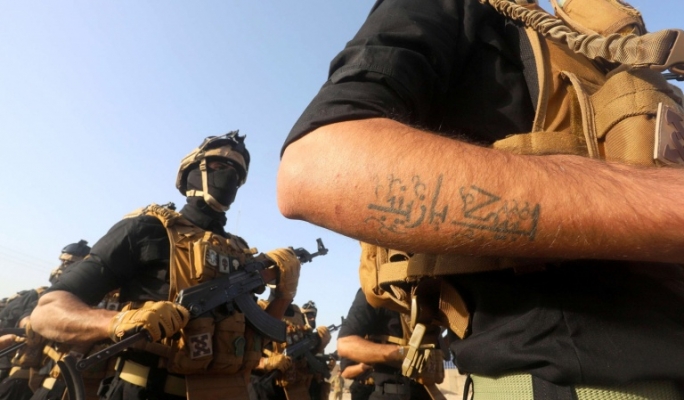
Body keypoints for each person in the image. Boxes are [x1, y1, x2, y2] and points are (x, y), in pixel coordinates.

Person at [277, 0, 684, 398]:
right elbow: (318, 165)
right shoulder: (455, 9)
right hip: (587, 382)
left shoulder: (595, 35)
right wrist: (661, 203)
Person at [31, 132, 302, 400]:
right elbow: (48, 311)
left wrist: (283, 295)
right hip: (148, 391)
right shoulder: (148, 228)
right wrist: (117, 322)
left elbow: (253, 341)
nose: (229, 174)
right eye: (219, 165)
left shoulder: (241, 254)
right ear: (192, 172)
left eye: (237, 172)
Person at [0, 240, 91, 400]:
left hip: (58, 381)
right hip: (21, 376)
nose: (62, 267)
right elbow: (19, 319)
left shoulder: (91, 300)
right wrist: (30, 324)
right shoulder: (38, 295)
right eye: (62, 262)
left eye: (69, 263)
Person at [337, 289, 432, 400]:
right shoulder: (376, 292)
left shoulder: (427, 293)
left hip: (423, 390)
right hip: (383, 390)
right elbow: (344, 346)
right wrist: (402, 353)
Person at [250, 301, 332, 400]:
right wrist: (265, 363)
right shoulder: (260, 309)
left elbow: (305, 355)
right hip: (268, 388)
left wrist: (319, 347)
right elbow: (240, 356)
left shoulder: (298, 314)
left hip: (298, 389)